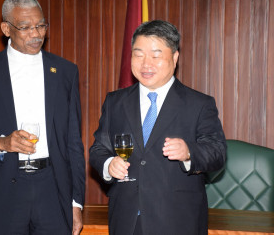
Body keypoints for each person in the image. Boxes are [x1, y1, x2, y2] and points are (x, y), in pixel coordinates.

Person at [0, 0, 85, 235]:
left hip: (53, 191)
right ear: (6, 28)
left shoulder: (66, 72)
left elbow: (73, 143)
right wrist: (2, 143)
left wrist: (76, 203)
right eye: (25, 27)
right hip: (5, 194)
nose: (36, 34)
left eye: (41, 25)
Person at [89, 20, 226, 235]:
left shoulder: (199, 104)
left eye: (155, 55)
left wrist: (189, 151)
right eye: (138, 54)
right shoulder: (115, 101)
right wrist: (108, 164)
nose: (146, 64)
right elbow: (98, 149)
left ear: (174, 57)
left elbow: (217, 153)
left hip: (177, 221)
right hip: (126, 220)